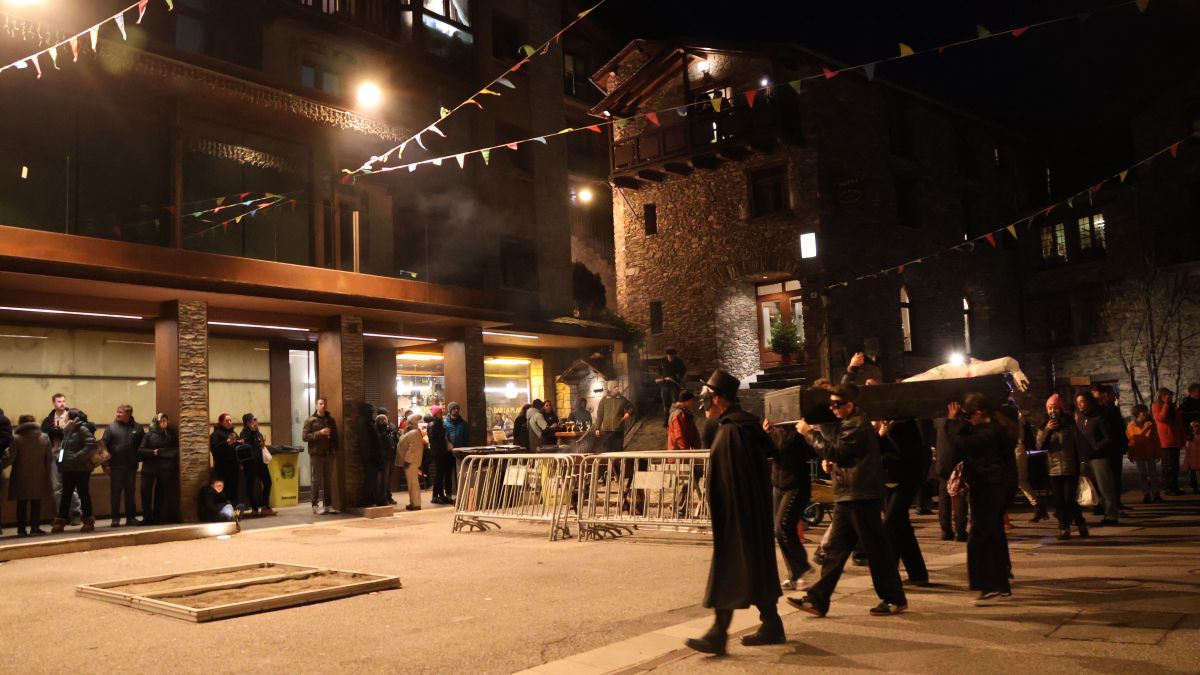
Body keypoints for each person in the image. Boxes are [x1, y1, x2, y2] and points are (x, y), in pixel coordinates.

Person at [684, 370, 784, 655]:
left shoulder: (732, 431)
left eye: (706, 397)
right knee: (754, 567)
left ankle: (719, 634)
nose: (703, 404)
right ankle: (771, 624)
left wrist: (730, 516)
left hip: (738, 516)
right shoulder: (742, 425)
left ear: (717, 399)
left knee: (730, 570)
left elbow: (733, 480)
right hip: (749, 515)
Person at [788, 383, 908, 618]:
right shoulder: (849, 423)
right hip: (850, 494)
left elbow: (836, 451)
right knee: (835, 550)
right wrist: (833, 462)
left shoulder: (856, 424)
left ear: (850, 405)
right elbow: (843, 454)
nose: (832, 408)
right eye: (831, 404)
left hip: (860, 495)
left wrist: (809, 433)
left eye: (837, 404)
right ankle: (817, 600)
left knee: (876, 550)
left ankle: (894, 598)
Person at [948, 393, 1018, 605]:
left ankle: (987, 587)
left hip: (988, 487)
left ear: (978, 413)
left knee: (978, 538)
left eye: (969, 415)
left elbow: (959, 446)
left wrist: (953, 423)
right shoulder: (998, 428)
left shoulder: (989, 433)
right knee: (993, 535)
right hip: (995, 486)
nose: (968, 419)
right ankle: (1001, 585)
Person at [762, 414, 813, 592]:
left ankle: (803, 569)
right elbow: (767, 453)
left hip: (796, 485)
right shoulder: (775, 430)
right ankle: (794, 575)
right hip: (778, 485)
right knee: (779, 530)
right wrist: (765, 434)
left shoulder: (797, 431)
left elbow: (786, 447)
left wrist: (771, 434)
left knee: (784, 526)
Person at [879, 417, 930, 586]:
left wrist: (884, 434)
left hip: (905, 481)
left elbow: (904, 454)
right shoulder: (885, 426)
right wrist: (881, 433)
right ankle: (918, 574)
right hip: (890, 480)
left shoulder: (907, 427)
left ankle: (889, 577)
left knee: (890, 525)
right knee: (902, 527)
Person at [1037, 394, 1090, 539]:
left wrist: (1083, 462)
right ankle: (1065, 528)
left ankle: (1079, 523)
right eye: (1049, 408)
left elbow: (1079, 444)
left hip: (1070, 467)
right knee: (1059, 501)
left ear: (1060, 409)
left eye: (1055, 408)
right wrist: (1048, 430)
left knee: (1069, 499)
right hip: (1053, 469)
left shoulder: (1070, 425)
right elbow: (1040, 445)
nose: (1052, 410)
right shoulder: (1043, 425)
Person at [1077, 392, 1121, 524]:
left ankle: (1111, 515)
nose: (1080, 405)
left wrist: (1096, 447)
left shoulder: (1099, 417)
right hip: (1086, 457)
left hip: (1099, 457)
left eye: (1082, 401)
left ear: (1089, 402)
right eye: (1078, 402)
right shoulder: (1080, 418)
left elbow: (1108, 437)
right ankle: (1098, 507)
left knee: (1105, 486)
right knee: (1092, 485)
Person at [53, 409, 97, 533]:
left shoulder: (82, 429)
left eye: (66, 415)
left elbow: (91, 446)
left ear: (72, 418)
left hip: (81, 468)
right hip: (67, 468)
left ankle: (88, 521)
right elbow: (63, 448)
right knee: (65, 495)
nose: (64, 417)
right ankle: (60, 521)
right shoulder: (68, 430)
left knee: (83, 494)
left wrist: (76, 457)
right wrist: (60, 460)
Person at [9, 414, 53, 536]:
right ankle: (35, 528)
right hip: (39, 474)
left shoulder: (16, 438)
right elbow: (49, 458)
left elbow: (11, 457)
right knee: (36, 502)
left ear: (20, 423)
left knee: (21, 503)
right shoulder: (44, 437)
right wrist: (47, 473)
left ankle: (21, 529)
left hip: (20, 475)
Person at [102, 404, 145, 527]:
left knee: (130, 493)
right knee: (115, 493)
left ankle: (131, 518)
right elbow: (103, 446)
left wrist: (139, 458)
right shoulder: (111, 427)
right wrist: (105, 464)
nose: (117, 414)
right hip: (115, 466)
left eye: (120, 412)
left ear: (128, 414)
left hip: (131, 466)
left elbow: (143, 445)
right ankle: (115, 518)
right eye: (117, 412)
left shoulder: (138, 428)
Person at [41, 393, 80, 526]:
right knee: (56, 486)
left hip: (68, 453)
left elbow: (77, 432)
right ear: (54, 403)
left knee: (71, 484)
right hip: (55, 453)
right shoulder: (49, 419)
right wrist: (58, 431)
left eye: (63, 401)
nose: (62, 403)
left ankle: (75, 512)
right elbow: (45, 433)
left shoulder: (72, 416)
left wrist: (59, 430)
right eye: (59, 401)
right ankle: (62, 514)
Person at [138, 413, 178, 525]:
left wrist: (164, 453)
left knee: (162, 493)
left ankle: (159, 517)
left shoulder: (170, 434)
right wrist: (154, 452)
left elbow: (175, 449)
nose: (164, 423)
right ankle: (147, 517)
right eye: (161, 421)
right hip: (149, 468)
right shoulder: (149, 435)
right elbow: (141, 451)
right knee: (145, 491)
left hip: (165, 468)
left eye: (165, 421)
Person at [933, 415, 968, 542]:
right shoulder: (961, 420)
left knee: (944, 497)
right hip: (956, 462)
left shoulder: (938, 418)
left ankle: (945, 530)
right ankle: (960, 530)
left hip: (942, 461)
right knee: (958, 495)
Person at [302, 397, 338, 514]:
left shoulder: (330, 420)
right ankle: (315, 505)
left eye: (324, 404)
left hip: (328, 454)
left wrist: (334, 449)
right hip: (316, 454)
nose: (323, 406)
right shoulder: (310, 420)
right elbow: (305, 437)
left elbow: (335, 436)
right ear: (316, 406)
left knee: (328, 480)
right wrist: (320, 433)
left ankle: (328, 505)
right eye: (321, 403)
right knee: (316, 480)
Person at [1126, 404, 1164, 503]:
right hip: (1139, 454)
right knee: (1142, 475)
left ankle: (1156, 494)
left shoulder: (1150, 425)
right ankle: (1146, 494)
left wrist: (1158, 453)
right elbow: (1130, 442)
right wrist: (1130, 454)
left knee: (1153, 474)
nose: (1146, 413)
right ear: (1137, 413)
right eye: (1143, 412)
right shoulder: (1130, 426)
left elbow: (1156, 440)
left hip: (1150, 452)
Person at [239, 414, 274, 516]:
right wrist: (252, 431)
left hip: (261, 463)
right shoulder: (244, 433)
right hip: (250, 464)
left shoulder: (257, 432)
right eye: (251, 421)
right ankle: (254, 508)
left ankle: (265, 506)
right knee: (250, 486)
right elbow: (247, 443)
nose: (254, 422)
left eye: (254, 420)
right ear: (247, 423)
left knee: (268, 482)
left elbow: (260, 444)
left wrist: (262, 442)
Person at [1153, 388, 1186, 496]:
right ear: (1160, 396)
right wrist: (1166, 404)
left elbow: (1179, 423)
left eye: (1170, 395)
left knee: (1175, 466)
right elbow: (1161, 418)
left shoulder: (1173, 407)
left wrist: (1182, 438)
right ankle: (1168, 488)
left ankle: (1174, 487)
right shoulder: (1156, 406)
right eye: (1166, 395)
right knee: (1168, 466)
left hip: (1175, 440)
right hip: (1166, 441)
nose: (1169, 397)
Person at [356, 402, 384, 507]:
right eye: (369, 410)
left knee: (373, 478)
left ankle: (372, 497)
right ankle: (366, 499)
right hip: (370, 456)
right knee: (370, 478)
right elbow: (366, 441)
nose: (372, 411)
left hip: (373, 455)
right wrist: (370, 456)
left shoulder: (368, 421)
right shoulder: (363, 422)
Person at [210, 413, 240, 504]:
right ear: (221, 422)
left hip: (234, 466)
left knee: (234, 489)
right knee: (223, 490)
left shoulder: (233, 433)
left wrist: (240, 443)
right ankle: (224, 508)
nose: (229, 422)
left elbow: (236, 448)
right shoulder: (216, 434)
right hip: (222, 467)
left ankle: (234, 508)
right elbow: (214, 449)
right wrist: (226, 443)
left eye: (230, 420)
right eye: (227, 421)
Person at [397, 414, 425, 511]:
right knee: (411, 483)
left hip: (411, 462)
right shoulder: (413, 432)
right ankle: (413, 502)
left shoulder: (413, 433)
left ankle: (416, 503)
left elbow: (413, 449)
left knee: (413, 483)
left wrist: (408, 460)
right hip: (411, 461)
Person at [427, 405, 454, 504]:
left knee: (441, 473)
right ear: (435, 414)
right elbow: (434, 439)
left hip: (441, 451)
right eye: (439, 412)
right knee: (439, 474)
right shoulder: (434, 424)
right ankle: (435, 496)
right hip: (438, 452)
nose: (441, 414)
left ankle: (441, 495)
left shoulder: (439, 423)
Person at [594, 383, 633, 452]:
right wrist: (597, 428)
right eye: (615, 387)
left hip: (618, 429)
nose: (617, 388)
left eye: (617, 387)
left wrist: (628, 413)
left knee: (618, 450)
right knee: (607, 451)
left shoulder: (622, 399)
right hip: (607, 430)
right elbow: (600, 414)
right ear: (611, 389)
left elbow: (631, 407)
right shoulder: (604, 399)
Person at [443, 402, 469, 501]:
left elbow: (466, 438)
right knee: (448, 472)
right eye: (454, 408)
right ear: (450, 410)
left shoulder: (463, 423)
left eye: (457, 408)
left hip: (460, 451)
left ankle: (461, 492)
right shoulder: (445, 423)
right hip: (448, 452)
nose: (456, 410)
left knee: (460, 473)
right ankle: (448, 493)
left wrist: (466, 450)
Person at [658, 349, 687, 426]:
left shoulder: (679, 362)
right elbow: (659, 370)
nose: (670, 358)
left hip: (674, 385)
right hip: (665, 385)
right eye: (669, 356)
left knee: (675, 403)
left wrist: (676, 376)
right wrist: (663, 376)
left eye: (672, 356)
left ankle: (675, 420)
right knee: (666, 404)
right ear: (667, 355)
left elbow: (683, 370)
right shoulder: (663, 361)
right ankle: (666, 420)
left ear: (674, 356)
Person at [376, 412, 398, 506]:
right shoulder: (377, 429)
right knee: (384, 479)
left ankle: (388, 496)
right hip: (384, 457)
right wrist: (386, 433)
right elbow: (380, 441)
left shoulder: (390, 428)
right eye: (382, 420)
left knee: (389, 479)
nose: (384, 421)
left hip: (391, 456)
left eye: (385, 419)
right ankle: (382, 498)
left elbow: (394, 441)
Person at [1184, 421, 1200, 494]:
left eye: (1197, 427)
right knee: (1194, 476)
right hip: (1193, 462)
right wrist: (1186, 465)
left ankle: (1196, 488)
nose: (1196, 429)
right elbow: (1187, 452)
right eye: (1195, 427)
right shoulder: (1190, 439)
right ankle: (1195, 488)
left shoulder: (1191, 439)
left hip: (1196, 462)